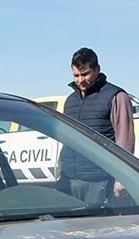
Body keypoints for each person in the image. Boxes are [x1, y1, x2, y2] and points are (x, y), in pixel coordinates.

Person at [57, 48, 134, 205]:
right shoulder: (70, 101)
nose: (80, 80)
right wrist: (61, 171)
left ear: (97, 69)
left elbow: (124, 141)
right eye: (76, 75)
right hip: (69, 181)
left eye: (85, 74)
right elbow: (68, 140)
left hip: (100, 182)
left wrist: (122, 179)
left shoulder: (116, 97)